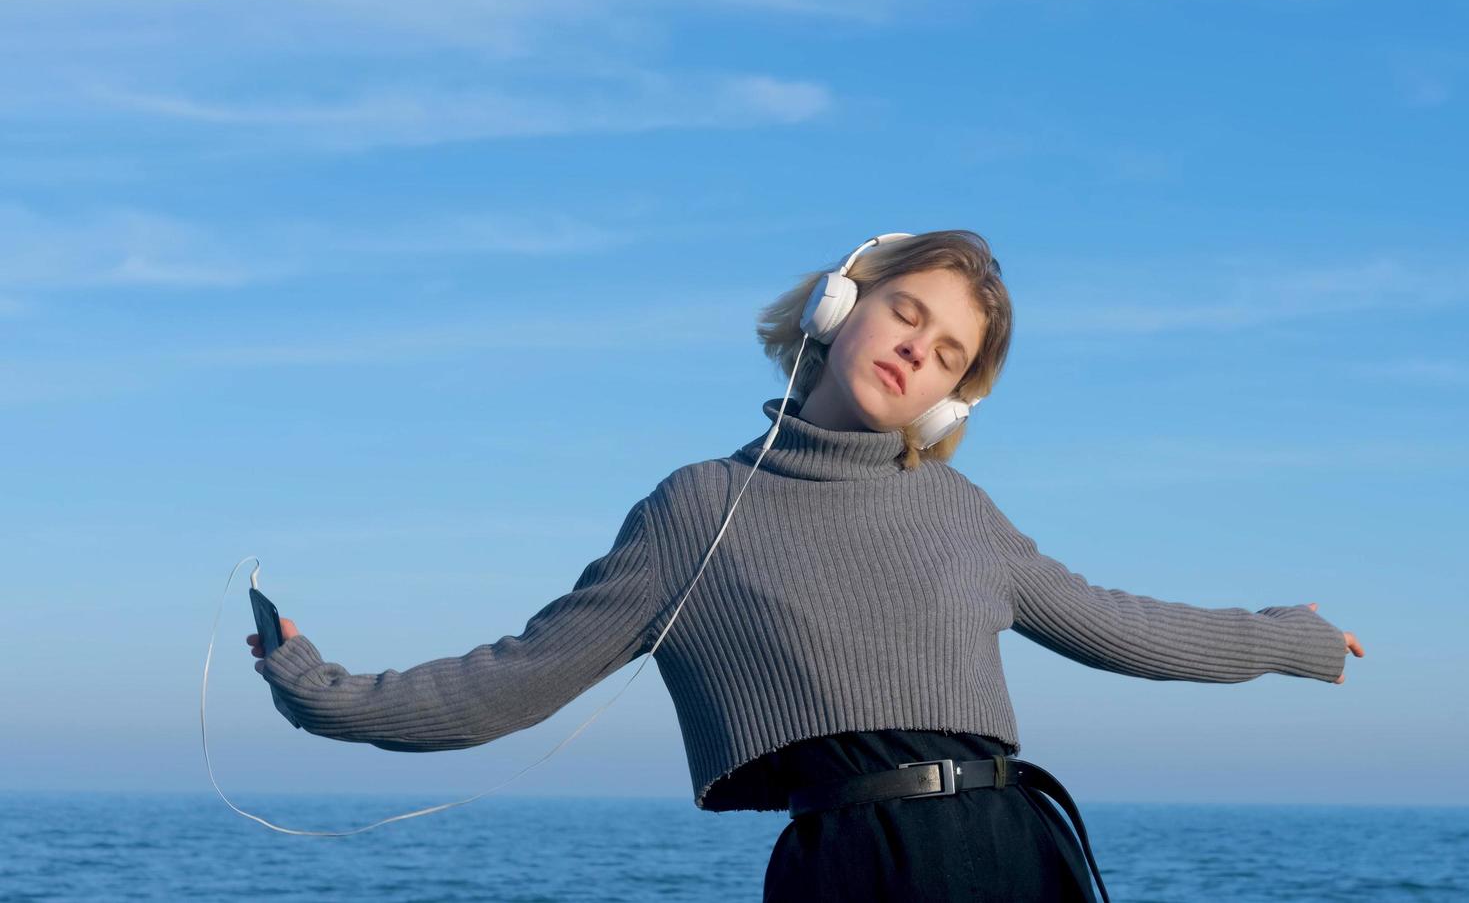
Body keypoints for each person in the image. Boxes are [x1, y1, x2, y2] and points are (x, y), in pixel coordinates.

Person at [253, 229, 1367, 901]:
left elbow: (1125, 624)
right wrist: (316, 687)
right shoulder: (694, 510)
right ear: (839, 305)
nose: (913, 350)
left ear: (954, 394)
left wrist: (1289, 638)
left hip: (1010, 846)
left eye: (946, 353)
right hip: (847, 861)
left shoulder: (957, 509)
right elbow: (508, 679)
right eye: (904, 313)